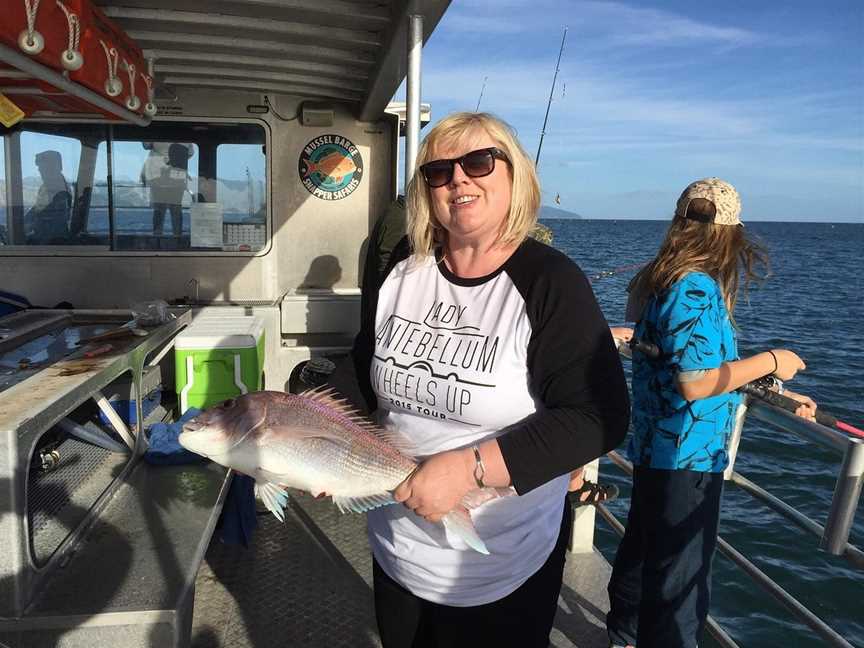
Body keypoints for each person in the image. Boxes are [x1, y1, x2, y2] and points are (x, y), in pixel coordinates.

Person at [329, 112, 630, 647]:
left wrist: (469, 468)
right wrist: (313, 430)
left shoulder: (551, 282)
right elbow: (363, 364)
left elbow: (597, 417)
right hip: (398, 550)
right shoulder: (403, 265)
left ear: (515, 176)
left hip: (501, 568)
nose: (458, 180)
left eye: (478, 162)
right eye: (439, 171)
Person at [605, 177, 817, 648]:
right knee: (679, 584)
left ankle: (622, 637)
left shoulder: (656, 279)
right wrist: (774, 360)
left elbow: (674, 357)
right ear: (729, 234)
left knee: (643, 555)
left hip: (654, 446)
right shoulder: (696, 287)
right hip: (688, 456)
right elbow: (696, 380)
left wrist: (761, 382)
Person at [141, 142, 192, 237]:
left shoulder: (155, 131)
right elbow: (190, 153)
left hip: (158, 177)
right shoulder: (186, 135)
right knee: (176, 209)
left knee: (159, 209)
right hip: (177, 176)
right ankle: (177, 238)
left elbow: (146, 145)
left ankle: (157, 237)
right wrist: (175, 160)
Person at [25, 150, 71, 244]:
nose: (39, 170)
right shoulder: (46, 187)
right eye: (39, 167)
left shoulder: (60, 190)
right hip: (44, 235)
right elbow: (37, 209)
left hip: (53, 242)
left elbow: (57, 222)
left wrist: (31, 226)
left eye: (42, 167)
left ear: (54, 167)